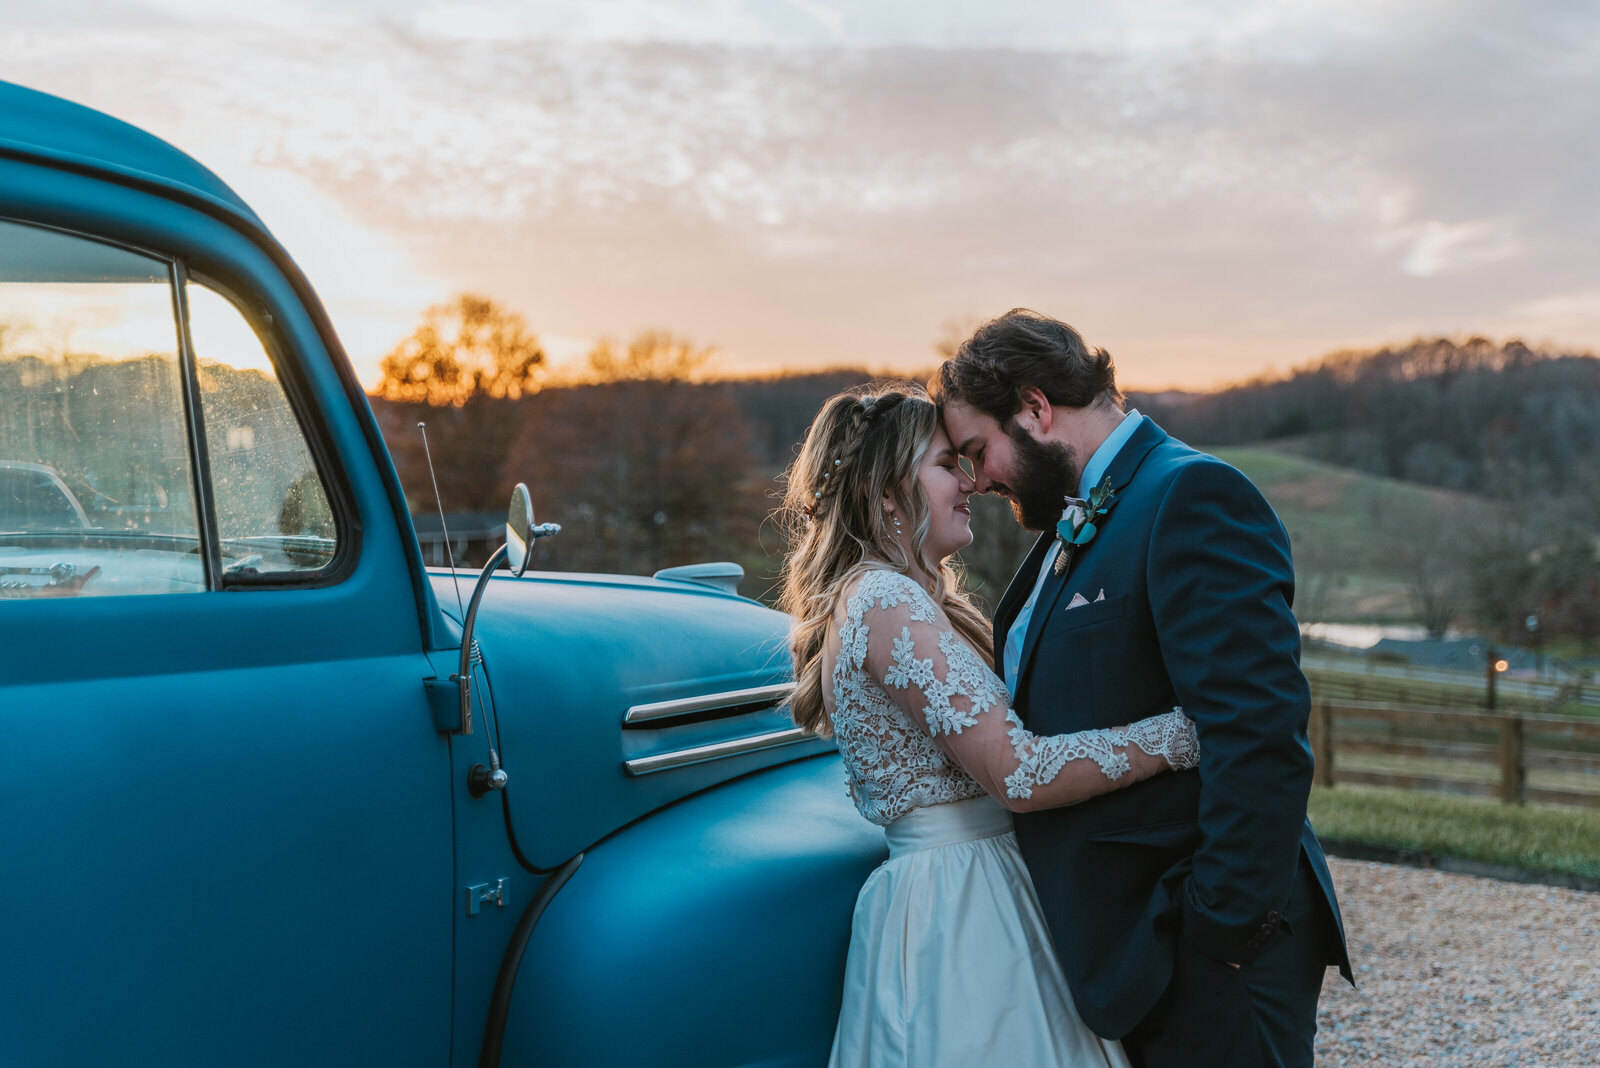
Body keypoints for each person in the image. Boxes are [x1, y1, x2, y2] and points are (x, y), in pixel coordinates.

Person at [932, 309, 1354, 1068]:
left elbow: (1258, 731)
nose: (980, 478)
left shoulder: (1191, 496)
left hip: (1207, 955)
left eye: (978, 449)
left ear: (1034, 408)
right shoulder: (1083, 518)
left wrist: (1218, 932)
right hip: (1132, 948)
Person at [778, 384, 1202, 1067]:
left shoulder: (903, 599)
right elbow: (1018, 772)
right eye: (948, 465)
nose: (971, 482)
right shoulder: (885, 599)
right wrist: (1181, 736)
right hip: (960, 909)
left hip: (974, 883)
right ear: (888, 493)